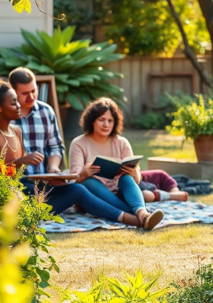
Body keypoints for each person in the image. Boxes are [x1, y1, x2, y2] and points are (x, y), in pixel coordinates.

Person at [8, 68, 142, 227]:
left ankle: (137, 214)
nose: (31, 97)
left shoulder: (46, 111)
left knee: (78, 189)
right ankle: (133, 217)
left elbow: (55, 147)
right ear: (14, 93)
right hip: (22, 185)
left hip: (47, 184)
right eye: (25, 93)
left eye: (34, 91)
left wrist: (53, 168)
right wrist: (23, 161)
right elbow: (0, 162)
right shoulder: (7, 118)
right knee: (84, 186)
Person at [69, 98, 164, 230]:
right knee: (88, 182)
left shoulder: (122, 142)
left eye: (110, 121)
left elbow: (137, 180)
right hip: (94, 197)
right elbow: (73, 180)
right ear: (92, 121)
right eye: (101, 120)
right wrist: (85, 172)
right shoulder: (79, 143)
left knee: (126, 178)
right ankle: (142, 217)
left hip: (121, 194)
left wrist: (133, 173)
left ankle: (142, 213)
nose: (106, 125)